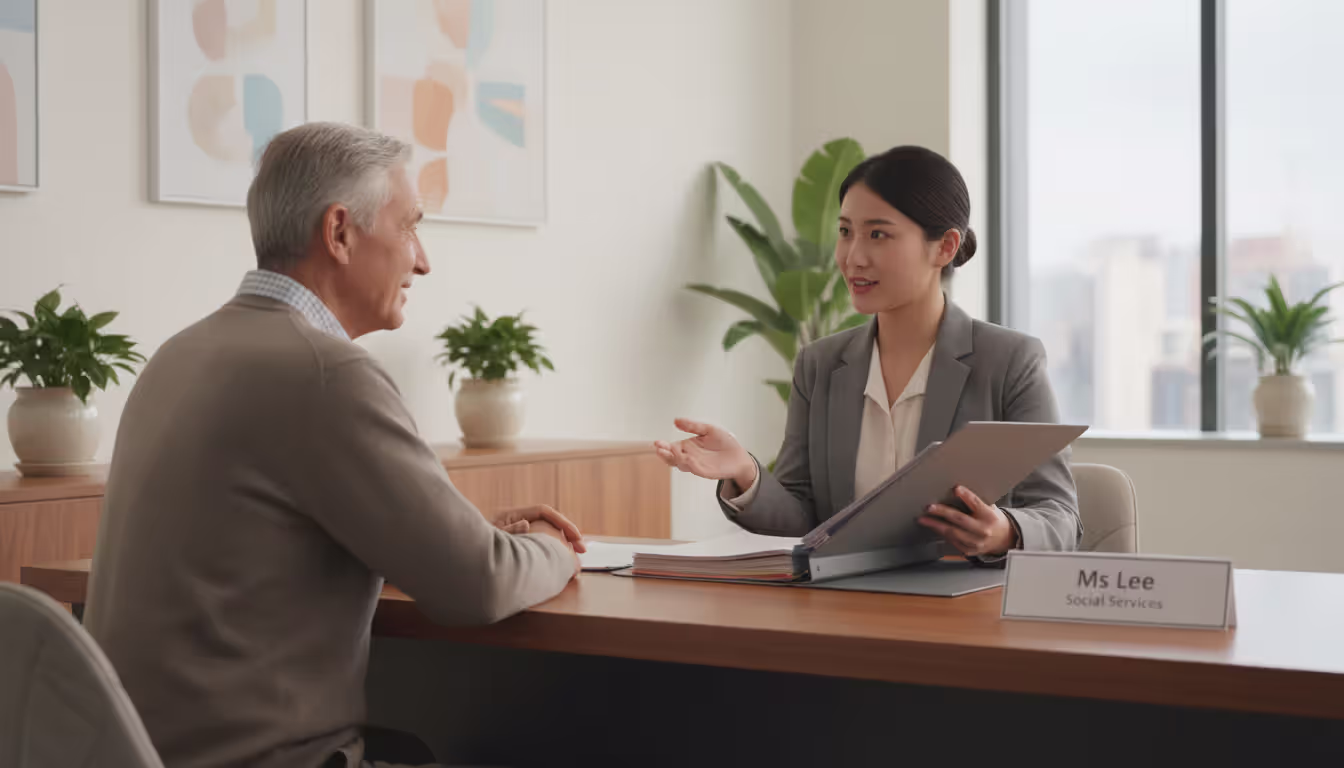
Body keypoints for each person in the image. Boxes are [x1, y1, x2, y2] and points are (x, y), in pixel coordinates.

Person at [84, 122, 585, 768]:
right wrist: (555, 552)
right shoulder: (323, 372)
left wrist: (462, 534)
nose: (423, 259)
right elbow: (478, 583)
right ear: (340, 232)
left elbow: (268, 541)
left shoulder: (178, 355)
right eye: (410, 227)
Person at [655, 145, 1080, 561]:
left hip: (967, 612)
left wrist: (1002, 531)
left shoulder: (1010, 361)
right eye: (845, 232)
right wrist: (745, 472)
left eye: (878, 234)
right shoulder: (820, 364)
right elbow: (804, 521)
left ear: (945, 247)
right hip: (846, 607)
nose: (853, 257)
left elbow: (1059, 517)